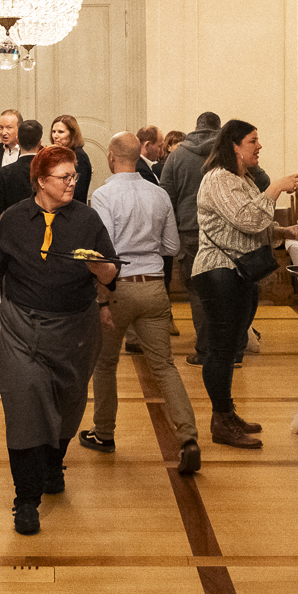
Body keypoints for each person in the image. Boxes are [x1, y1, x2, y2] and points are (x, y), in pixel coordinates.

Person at [0, 146, 119, 534]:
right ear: (41, 181)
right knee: (25, 407)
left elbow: (111, 273)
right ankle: (26, 500)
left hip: (75, 332)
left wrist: (99, 267)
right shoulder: (15, 218)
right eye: (64, 177)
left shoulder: (87, 219)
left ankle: (52, 464)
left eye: (74, 176)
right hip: (22, 329)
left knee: (68, 403)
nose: (72, 183)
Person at [84, 133, 200, 473]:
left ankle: (104, 433)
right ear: (138, 157)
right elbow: (172, 247)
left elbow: (103, 251)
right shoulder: (158, 193)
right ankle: (188, 438)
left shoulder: (103, 195)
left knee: (105, 364)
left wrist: (102, 297)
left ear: (111, 156)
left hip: (117, 287)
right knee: (164, 366)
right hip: (153, 287)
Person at [192, 120, 298, 449]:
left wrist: (283, 232)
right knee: (221, 349)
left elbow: (249, 224)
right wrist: (277, 187)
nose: (259, 146)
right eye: (253, 140)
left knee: (233, 348)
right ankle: (221, 420)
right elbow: (247, 219)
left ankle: (227, 413)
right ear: (234, 146)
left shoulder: (242, 179)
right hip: (219, 271)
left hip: (238, 272)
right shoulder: (218, 178)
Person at [159, 112, 223, 290]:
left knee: (197, 291)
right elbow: (261, 182)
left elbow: (166, 199)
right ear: (219, 130)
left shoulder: (176, 156)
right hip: (223, 232)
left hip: (189, 232)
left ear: (195, 129)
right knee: (224, 290)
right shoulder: (228, 153)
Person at [0, 119, 43, 218]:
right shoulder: (49, 171)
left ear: (18, 140)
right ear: (39, 143)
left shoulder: (3, 174)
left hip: (14, 224)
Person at [50, 115, 94, 203]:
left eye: (61, 132)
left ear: (72, 135)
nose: (55, 136)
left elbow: (77, 191)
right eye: (53, 131)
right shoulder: (60, 154)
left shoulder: (79, 156)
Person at [0, 109, 23, 173]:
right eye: (1, 127)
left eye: (9, 127)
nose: (3, 133)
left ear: (19, 129)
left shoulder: (26, 150)